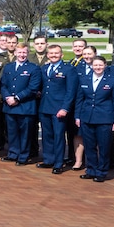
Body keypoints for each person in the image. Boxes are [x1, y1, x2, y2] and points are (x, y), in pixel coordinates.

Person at [75, 56, 114, 182]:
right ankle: (91, 170)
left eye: (100, 65)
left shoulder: (113, 80)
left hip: (104, 119)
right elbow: (80, 100)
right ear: (91, 66)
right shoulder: (84, 79)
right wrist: (77, 116)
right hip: (87, 118)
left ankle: (102, 171)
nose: (97, 67)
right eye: (95, 65)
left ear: (105, 66)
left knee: (103, 147)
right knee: (89, 146)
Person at [38, 44, 77, 175]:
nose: (53, 55)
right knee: (46, 135)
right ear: (47, 55)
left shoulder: (68, 69)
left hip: (59, 109)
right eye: (51, 53)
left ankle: (59, 163)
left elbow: (71, 91)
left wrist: (65, 108)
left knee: (59, 136)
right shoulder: (45, 68)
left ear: (62, 55)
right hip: (45, 107)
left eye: (56, 53)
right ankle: (49, 159)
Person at [0, 45, 42, 165]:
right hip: (10, 106)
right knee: (12, 132)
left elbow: (33, 88)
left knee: (25, 134)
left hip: (25, 106)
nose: (22, 55)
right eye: (19, 52)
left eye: (24, 52)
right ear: (15, 53)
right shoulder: (9, 67)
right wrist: (7, 97)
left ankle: (23, 156)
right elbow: (3, 85)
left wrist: (17, 98)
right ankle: (13, 153)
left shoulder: (34, 68)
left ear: (28, 53)